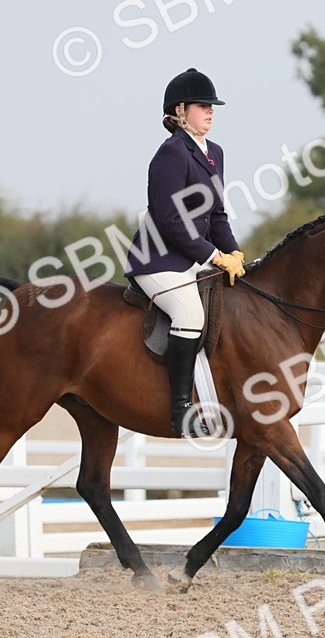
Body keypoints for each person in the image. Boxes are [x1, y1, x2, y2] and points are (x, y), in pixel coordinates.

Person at [125, 67, 245, 438]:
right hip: (158, 260)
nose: (210, 111)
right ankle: (180, 410)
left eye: (212, 106)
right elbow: (170, 220)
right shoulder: (171, 154)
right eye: (202, 105)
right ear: (180, 110)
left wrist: (235, 252)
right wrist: (214, 256)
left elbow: (217, 214)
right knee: (190, 313)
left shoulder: (215, 153)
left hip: (193, 259)